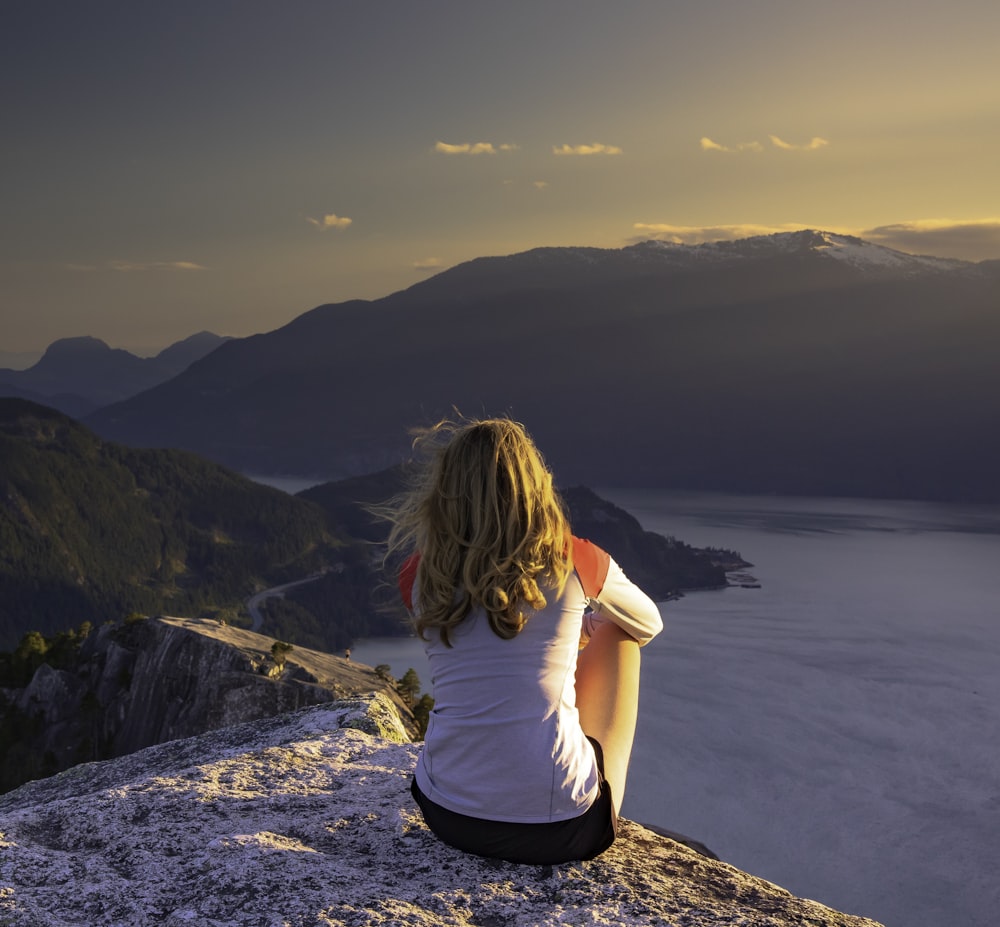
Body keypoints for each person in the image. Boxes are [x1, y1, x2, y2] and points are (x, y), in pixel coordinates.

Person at [383, 418, 663, 864]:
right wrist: (584, 628)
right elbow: (647, 624)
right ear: (536, 484)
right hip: (558, 830)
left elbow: (487, 645)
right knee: (619, 633)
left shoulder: (419, 574)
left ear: (445, 491)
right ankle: (574, 782)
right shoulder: (572, 557)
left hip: (444, 812)